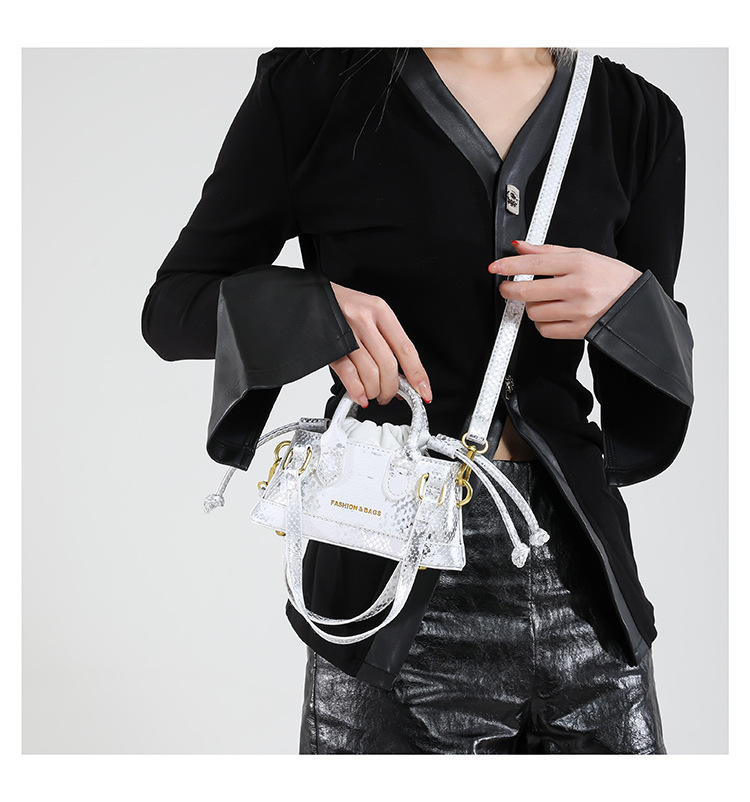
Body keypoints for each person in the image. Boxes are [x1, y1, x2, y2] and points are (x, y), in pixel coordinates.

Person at [141, 47, 693, 754]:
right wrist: (313, 310)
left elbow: (641, 412)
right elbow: (172, 308)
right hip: (390, 588)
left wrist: (632, 307)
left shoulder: (634, 115)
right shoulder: (315, 88)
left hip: (584, 582)